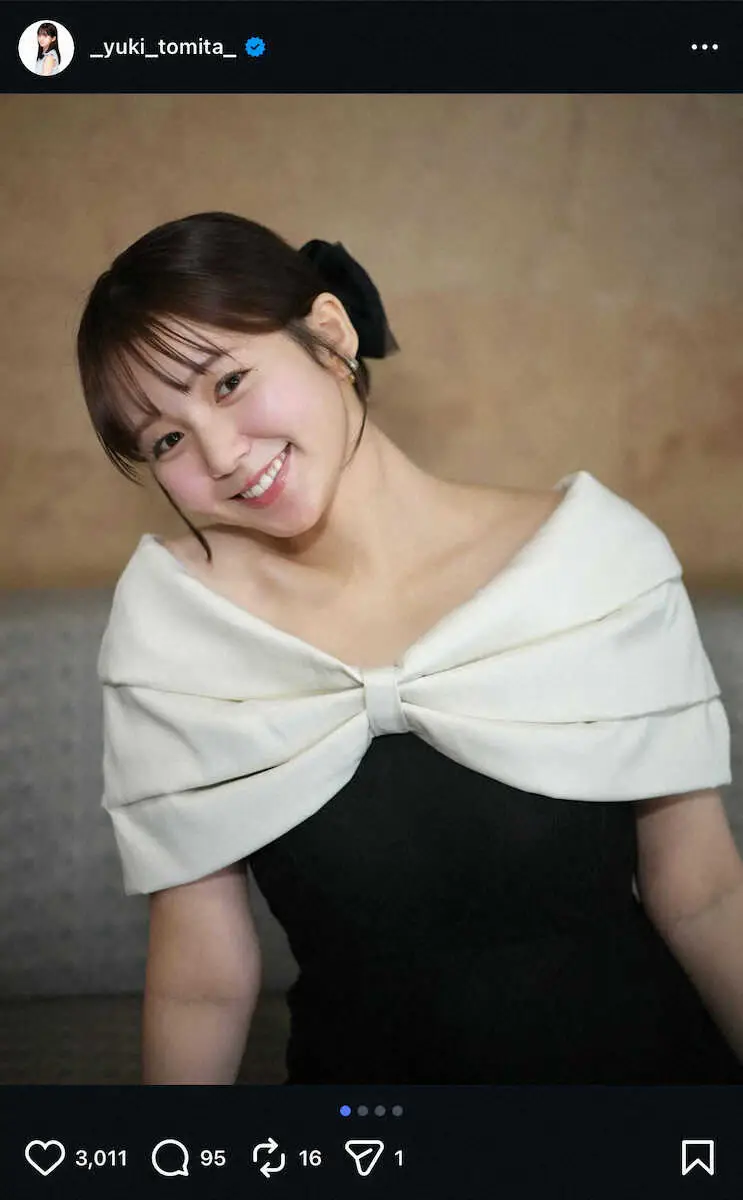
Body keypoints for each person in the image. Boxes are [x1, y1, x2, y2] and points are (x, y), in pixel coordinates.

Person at [76, 211, 743, 1085]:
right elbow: (202, 983)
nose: (222, 455)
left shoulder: (592, 558)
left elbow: (703, 893)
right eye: (166, 439)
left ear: (329, 334)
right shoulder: (180, 629)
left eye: (229, 382)